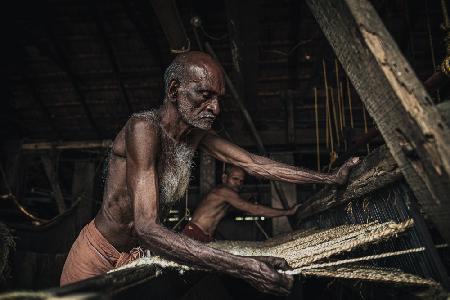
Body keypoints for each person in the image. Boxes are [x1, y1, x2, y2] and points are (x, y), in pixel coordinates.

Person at [60, 51, 359, 295]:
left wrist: (329, 179)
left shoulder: (194, 136)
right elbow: (147, 227)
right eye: (204, 94)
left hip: (135, 261)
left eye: (219, 98)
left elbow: (256, 163)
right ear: (174, 90)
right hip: (97, 257)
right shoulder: (143, 129)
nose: (214, 107)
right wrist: (241, 265)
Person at [183, 165, 300, 242]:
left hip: (205, 237)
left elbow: (245, 208)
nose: (238, 183)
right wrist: (288, 212)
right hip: (194, 234)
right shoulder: (224, 191)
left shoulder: (226, 196)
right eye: (235, 179)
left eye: (241, 181)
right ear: (224, 178)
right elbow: (255, 209)